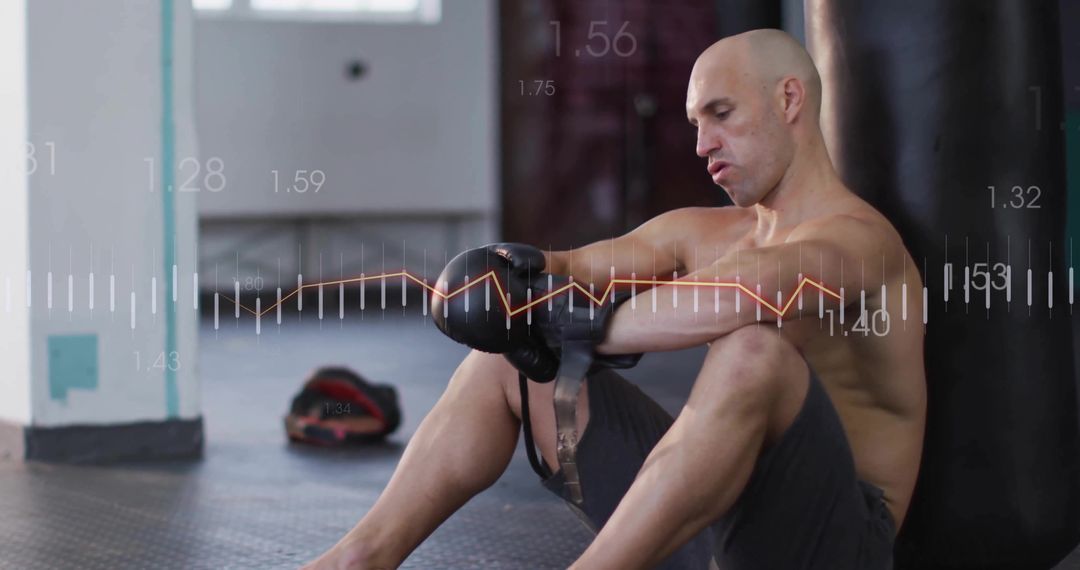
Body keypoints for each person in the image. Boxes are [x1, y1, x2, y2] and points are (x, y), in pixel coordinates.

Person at [303, 28, 926, 569]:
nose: (703, 143)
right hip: (712, 526)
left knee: (754, 354)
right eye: (696, 124)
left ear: (789, 99)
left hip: (829, 544)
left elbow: (750, 292)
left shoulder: (860, 241)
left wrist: (579, 324)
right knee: (506, 364)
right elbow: (576, 266)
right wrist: (504, 278)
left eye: (722, 113)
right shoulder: (704, 231)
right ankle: (359, 559)